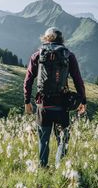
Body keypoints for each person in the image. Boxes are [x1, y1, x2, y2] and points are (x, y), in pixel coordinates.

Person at [24, 27, 86, 168]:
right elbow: (78, 80)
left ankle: (43, 170)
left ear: (45, 39)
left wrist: (27, 101)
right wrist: (83, 100)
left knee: (43, 140)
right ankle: (60, 170)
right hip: (62, 106)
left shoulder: (37, 55)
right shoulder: (68, 56)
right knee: (63, 141)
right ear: (62, 40)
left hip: (43, 105)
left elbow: (28, 80)